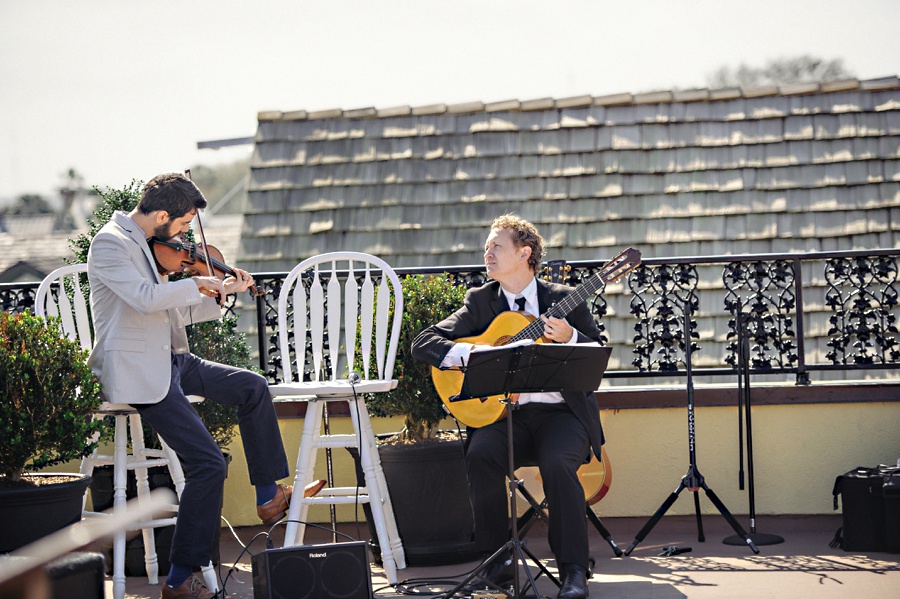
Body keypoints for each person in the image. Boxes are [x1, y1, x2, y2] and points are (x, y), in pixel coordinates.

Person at [87, 172, 323, 599]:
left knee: (252, 386)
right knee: (208, 465)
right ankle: (177, 583)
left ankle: (269, 496)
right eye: (181, 225)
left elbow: (171, 315)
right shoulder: (111, 244)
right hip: (137, 372)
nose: (183, 238)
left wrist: (222, 291)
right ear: (162, 215)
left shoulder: (153, 246)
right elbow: (144, 299)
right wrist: (195, 282)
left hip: (173, 360)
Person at [411, 214, 605, 599]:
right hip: (505, 416)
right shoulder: (481, 302)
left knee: (557, 463)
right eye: (487, 247)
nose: (488, 253)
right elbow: (423, 343)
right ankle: (496, 562)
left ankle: (573, 572)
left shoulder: (563, 300)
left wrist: (570, 337)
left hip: (561, 416)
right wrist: (474, 353)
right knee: (480, 453)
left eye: (496, 246)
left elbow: (599, 355)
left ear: (524, 253)